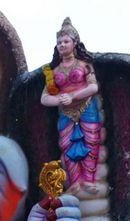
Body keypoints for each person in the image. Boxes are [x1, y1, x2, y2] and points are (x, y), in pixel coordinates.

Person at [40, 17, 102, 191]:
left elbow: (93, 87)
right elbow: (44, 98)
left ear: (75, 43)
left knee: (90, 141)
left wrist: (73, 96)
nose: (62, 45)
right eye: (59, 42)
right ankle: (75, 182)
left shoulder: (84, 65)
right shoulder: (53, 72)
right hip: (65, 113)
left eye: (66, 41)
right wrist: (59, 99)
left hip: (86, 107)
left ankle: (89, 180)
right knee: (67, 145)